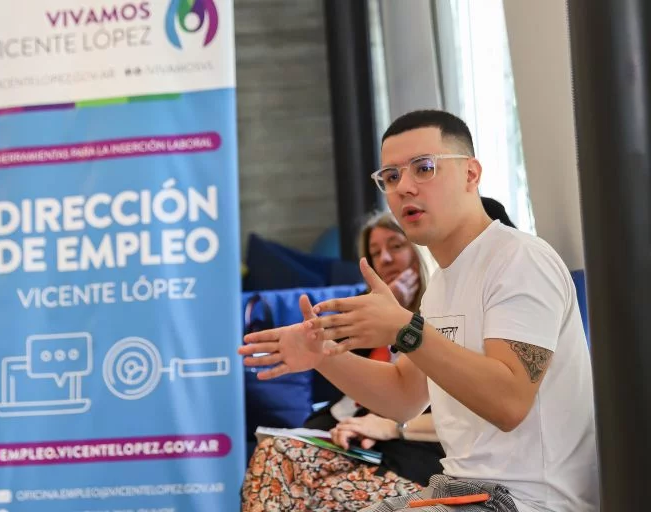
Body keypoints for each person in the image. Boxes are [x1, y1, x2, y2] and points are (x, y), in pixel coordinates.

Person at [239, 110, 599, 512]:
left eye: (424, 168)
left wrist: (405, 330)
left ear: (471, 174)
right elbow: (403, 397)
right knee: (280, 466)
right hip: (456, 491)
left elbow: (509, 403)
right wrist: (322, 356)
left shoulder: (519, 259)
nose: (404, 187)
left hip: (527, 502)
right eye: (391, 176)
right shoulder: (442, 284)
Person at [241, 211, 444, 512]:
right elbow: (347, 399)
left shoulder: (443, 311)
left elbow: (413, 400)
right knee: (272, 455)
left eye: (396, 246)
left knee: (319, 494)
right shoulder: (359, 319)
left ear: (420, 251)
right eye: (376, 253)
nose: (385, 259)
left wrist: (400, 320)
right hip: (354, 441)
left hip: (411, 450)